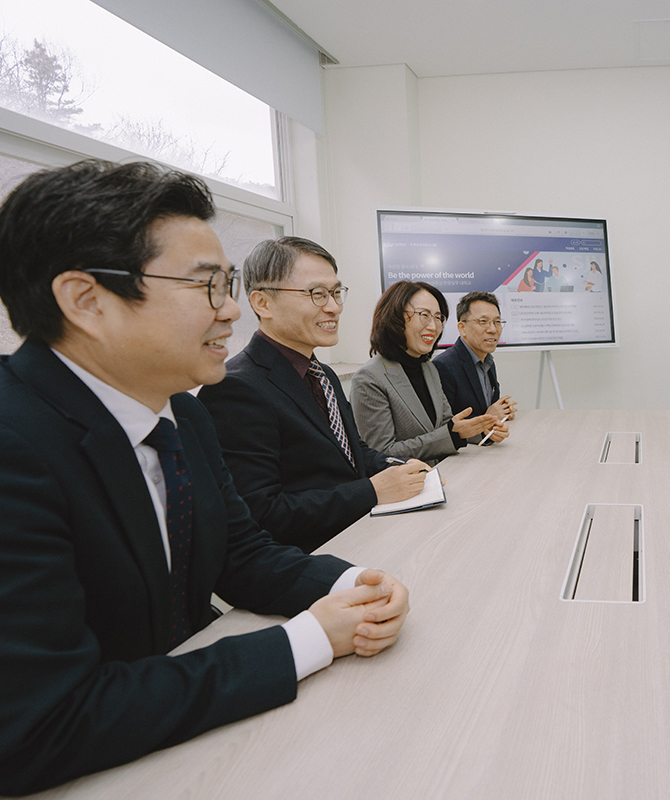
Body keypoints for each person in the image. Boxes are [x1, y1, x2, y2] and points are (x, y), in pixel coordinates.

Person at [0, 160, 411, 795]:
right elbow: (44, 721)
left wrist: (358, 583)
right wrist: (307, 641)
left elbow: (241, 555)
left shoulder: (181, 411)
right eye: (207, 288)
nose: (231, 314)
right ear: (86, 300)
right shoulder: (14, 443)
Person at [198, 237, 429, 553]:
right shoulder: (236, 388)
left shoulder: (322, 374)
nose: (334, 307)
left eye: (336, 293)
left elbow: (354, 451)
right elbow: (262, 513)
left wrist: (405, 466)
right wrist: (372, 491)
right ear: (262, 303)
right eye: (317, 294)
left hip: (364, 534)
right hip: (314, 558)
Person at [352, 282, 507, 464]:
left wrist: (482, 430)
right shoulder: (369, 378)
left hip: (445, 472)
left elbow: (446, 425)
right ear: (395, 317)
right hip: (410, 485)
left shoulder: (428, 368)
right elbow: (382, 454)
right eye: (424, 315)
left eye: (438, 317)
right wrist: (453, 433)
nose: (434, 327)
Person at [435, 290, 518, 425]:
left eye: (497, 322)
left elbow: (487, 408)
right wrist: (488, 417)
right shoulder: (443, 365)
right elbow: (443, 425)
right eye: (483, 321)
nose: (492, 329)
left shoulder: (488, 360)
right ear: (462, 328)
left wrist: (502, 411)